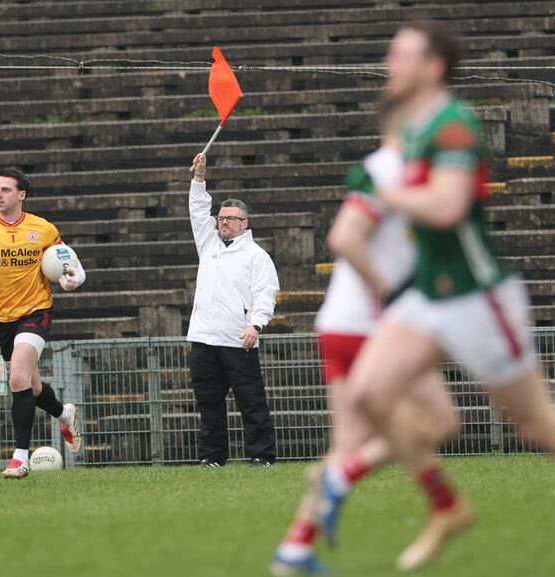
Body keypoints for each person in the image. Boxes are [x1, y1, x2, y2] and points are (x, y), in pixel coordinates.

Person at [332, 20, 555, 571]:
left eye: (400, 55)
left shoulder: (454, 125)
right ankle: (446, 505)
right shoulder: (411, 127)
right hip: (428, 296)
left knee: (539, 425)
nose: (389, 63)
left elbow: (447, 208)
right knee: (366, 396)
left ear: (432, 68)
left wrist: (380, 191)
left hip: (477, 298)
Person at [271, 110, 458, 576]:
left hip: (340, 324)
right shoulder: (394, 169)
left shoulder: (405, 171)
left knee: (348, 445)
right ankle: (363, 481)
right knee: (438, 420)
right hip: (371, 328)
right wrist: (390, 294)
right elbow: (344, 237)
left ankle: (295, 547)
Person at [0, 168, 85, 479]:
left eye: (6, 190)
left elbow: (76, 270)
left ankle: (19, 458)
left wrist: (72, 281)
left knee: (16, 380)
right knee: (33, 386)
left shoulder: (44, 229)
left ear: (21, 195)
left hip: (35, 311)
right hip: (1, 317)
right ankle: (64, 415)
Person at [187, 153, 280, 467]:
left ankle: (261, 454)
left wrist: (255, 325)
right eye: (221, 217)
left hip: (238, 339)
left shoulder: (256, 256)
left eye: (230, 218)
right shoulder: (208, 244)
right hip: (203, 338)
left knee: (251, 401)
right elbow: (198, 211)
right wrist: (199, 179)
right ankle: (212, 456)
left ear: (244, 223)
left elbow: (266, 294)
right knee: (208, 402)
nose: (222, 221)